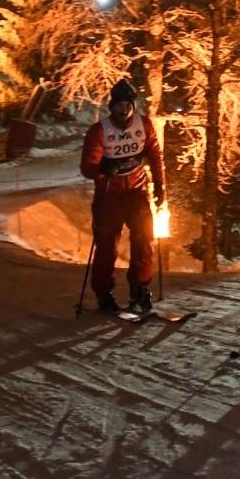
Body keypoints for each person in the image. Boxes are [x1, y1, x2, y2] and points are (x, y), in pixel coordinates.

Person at [80, 78, 166, 315]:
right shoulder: (100, 131)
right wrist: (104, 168)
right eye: (119, 105)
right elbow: (87, 167)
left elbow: (155, 155)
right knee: (107, 246)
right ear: (112, 106)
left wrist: (159, 185)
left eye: (128, 105)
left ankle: (139, 289)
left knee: (144, 240)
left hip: (137, 192)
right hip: (109, 195)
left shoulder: (144, 125)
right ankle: (104, 293)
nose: (124, 110)